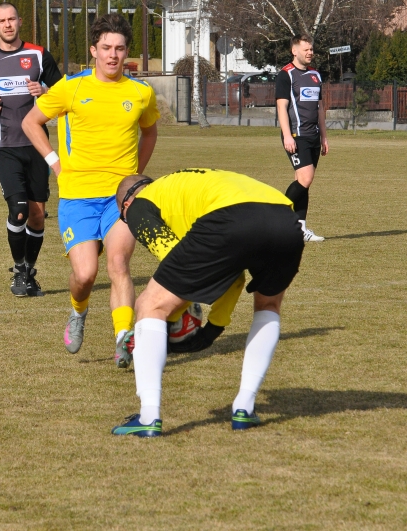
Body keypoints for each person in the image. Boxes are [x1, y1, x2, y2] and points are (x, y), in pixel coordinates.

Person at [111, 169, 304, 437]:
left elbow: (174, 262)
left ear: (127, 203)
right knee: (268, 306)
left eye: (124, 217)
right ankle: (244, 408)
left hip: (230, 217)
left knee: (149, 305)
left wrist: (180, 322)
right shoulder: (179, 187)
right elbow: (231, 276)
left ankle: (148, 416)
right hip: (286, 217)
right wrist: (213, 330)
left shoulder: (139, 205)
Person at [22, 13, 158, 364]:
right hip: (78, 196)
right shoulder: (70, 87)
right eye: (106, 48)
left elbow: (150, 132)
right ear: (94, 50)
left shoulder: (141, 92)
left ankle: (124, 339)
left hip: (120, 199)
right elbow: (31, 122)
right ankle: (78, 310)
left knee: (118, 263)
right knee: (84, 275)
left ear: (126, 51)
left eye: (120, 48)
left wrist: (134, 178)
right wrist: (55, 163)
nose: (113, 55)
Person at [0, 2, 62, 298]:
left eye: (11, 19)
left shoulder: (39, 55)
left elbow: (64, 91)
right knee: (19, 210)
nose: (7, 25)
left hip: (37, 145)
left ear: (19, 22)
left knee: (37, 215)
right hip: (4, 144)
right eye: (1, 21)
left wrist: (45, 91)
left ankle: (29, 270)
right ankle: (19, 269)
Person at [276, 34, 328, 242]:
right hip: (296, 135)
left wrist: (324, 136)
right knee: (306, 178)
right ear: (294, 51)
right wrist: (287, 136)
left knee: (304, 182)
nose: (310, 53)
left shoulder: (315, 75)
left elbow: (320, 108)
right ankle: (277, 214)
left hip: (313, 135)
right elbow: (282, 107)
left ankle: (300, 229)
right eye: (306, 49)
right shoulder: (285, 75)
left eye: (311, 49)